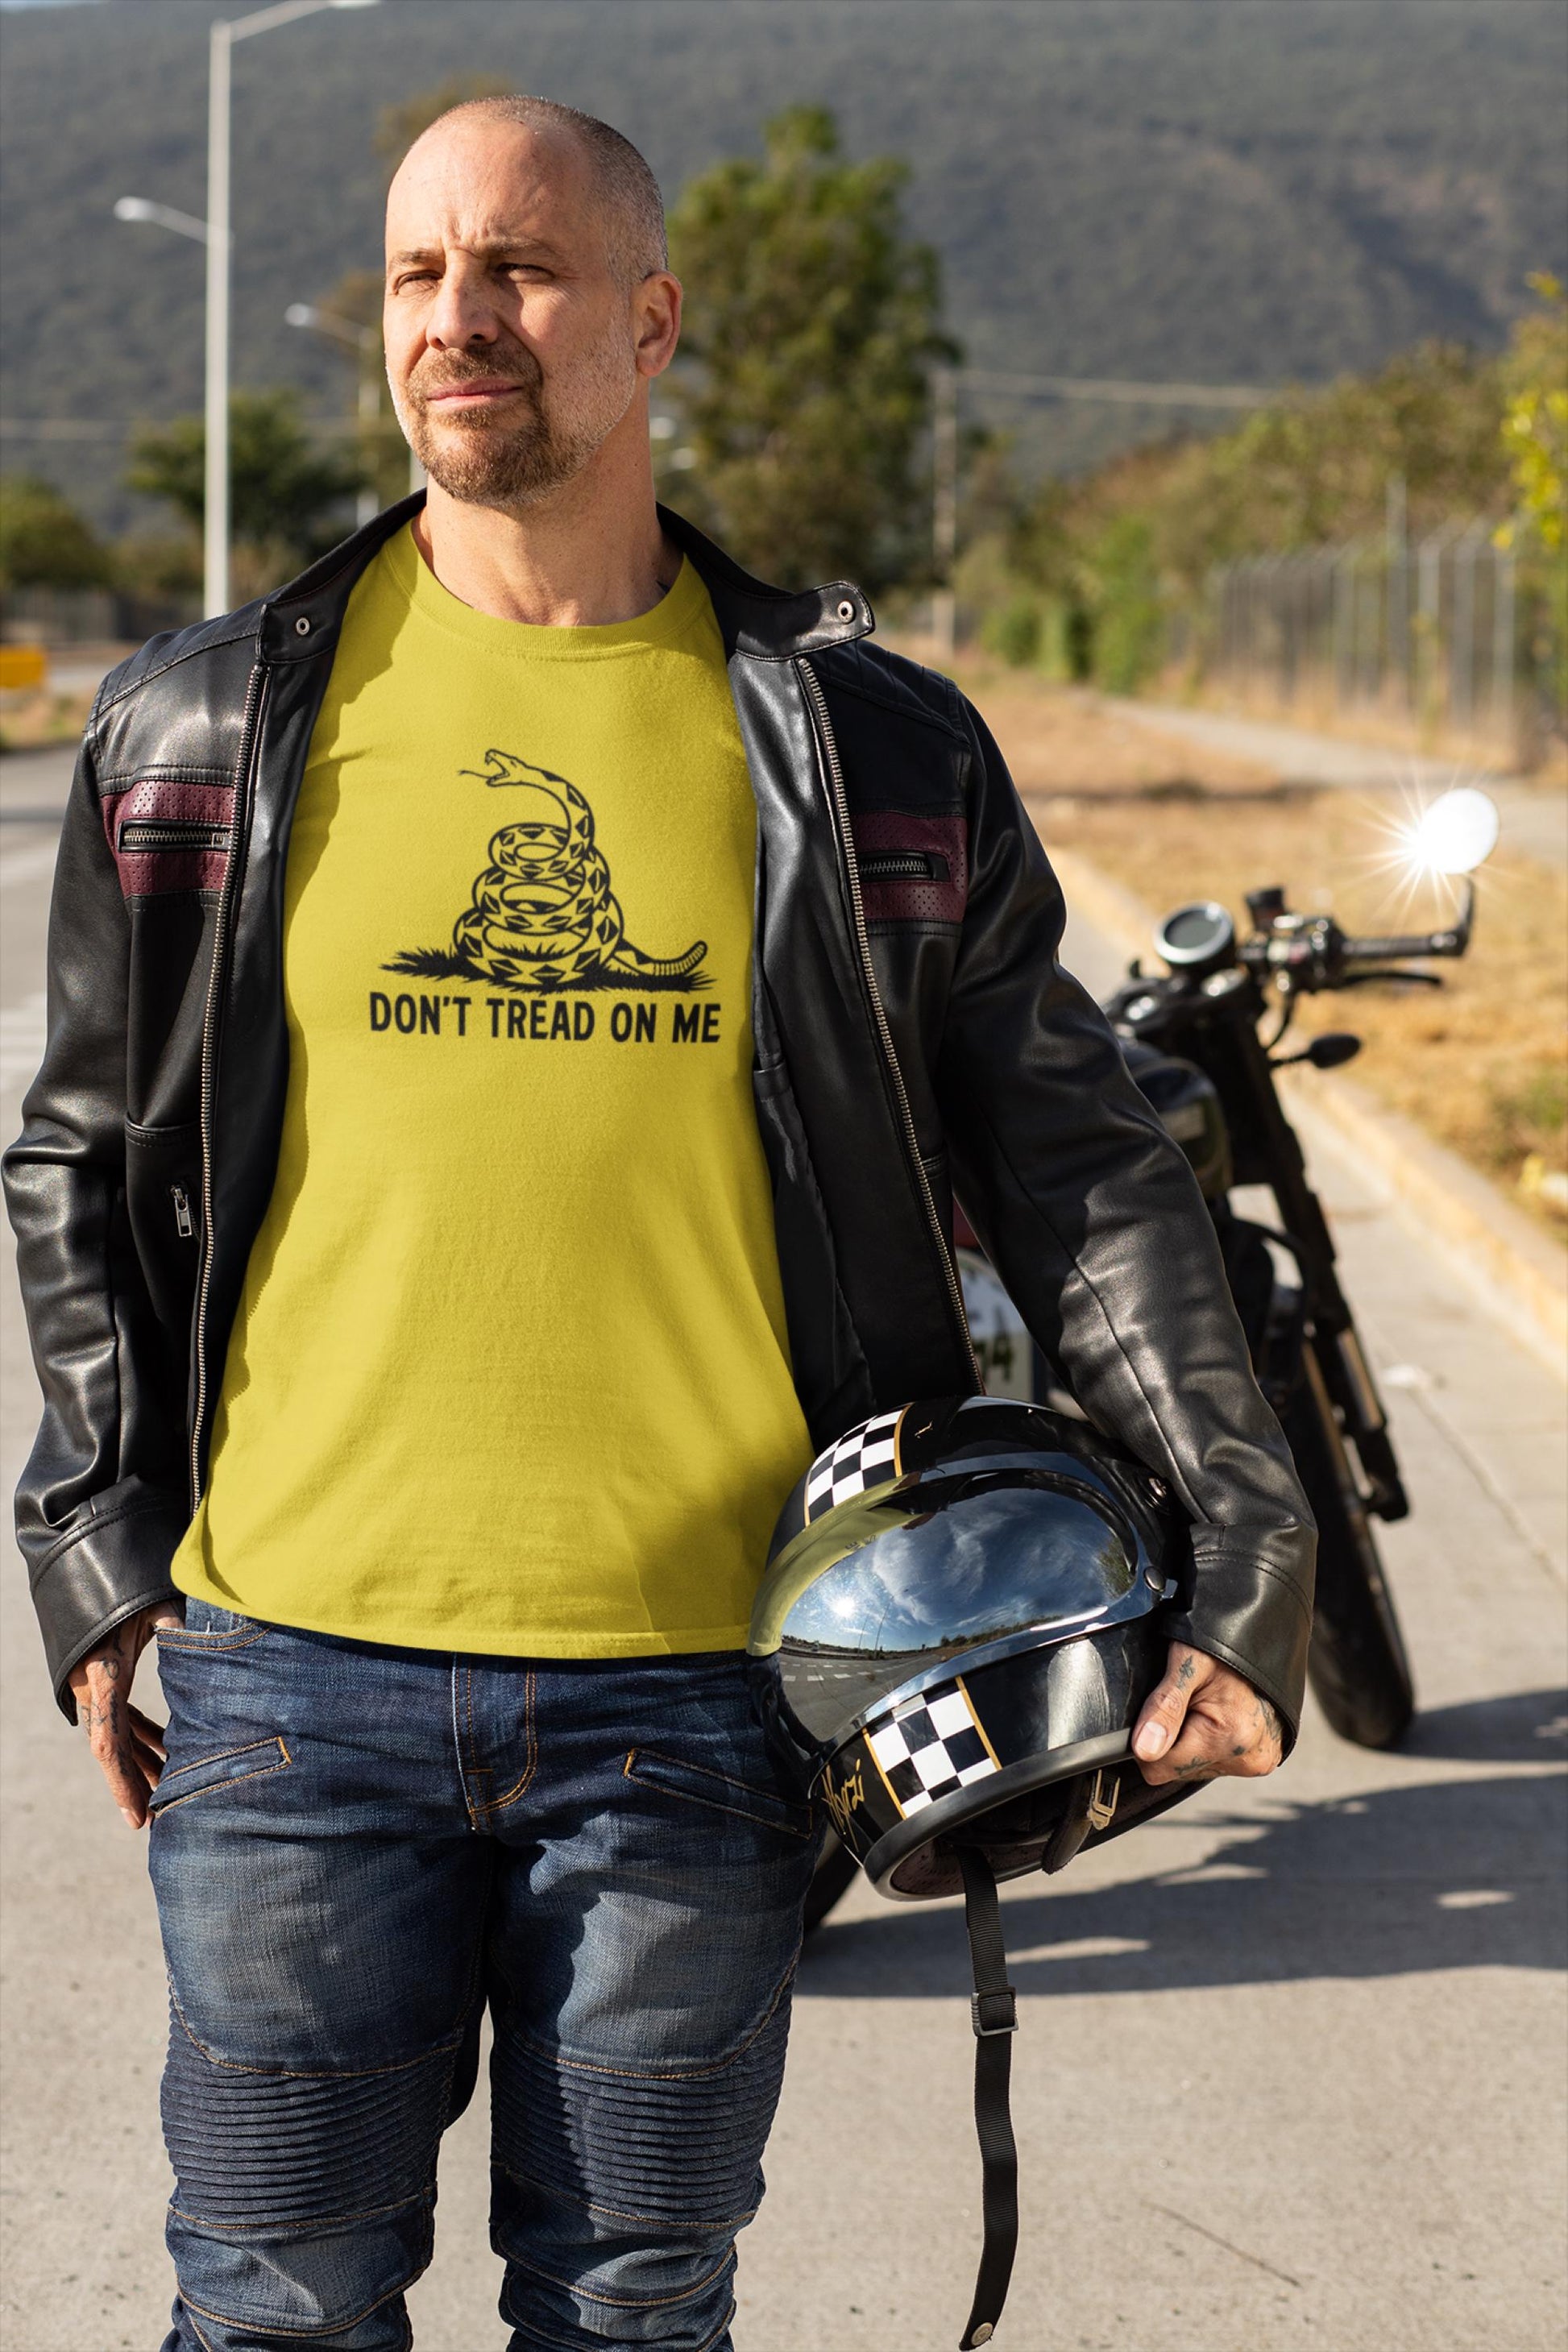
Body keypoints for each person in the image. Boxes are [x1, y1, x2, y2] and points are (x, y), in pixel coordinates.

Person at [4, 95, 1313, 2352]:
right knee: (276, 2305)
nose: (455, 318)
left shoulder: (871, 747)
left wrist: (1247, 1556)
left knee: (633, 2307)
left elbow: (1085, 1171)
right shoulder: (204, 724)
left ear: (651, 320)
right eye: (415, 274)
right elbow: (79, 1158)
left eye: (516, 268)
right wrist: (98, 1556)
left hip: (711, 1689)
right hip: (291, 1681)